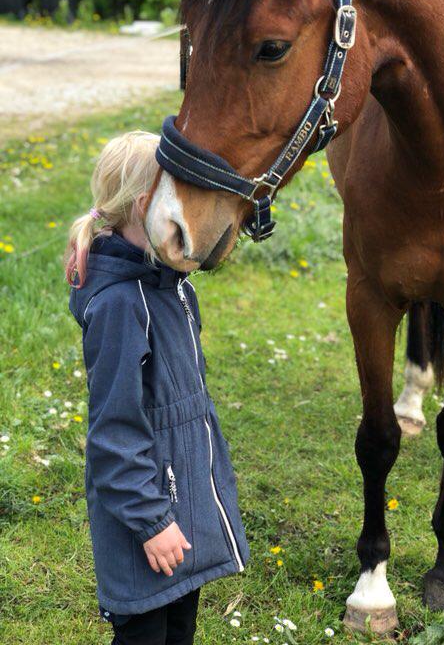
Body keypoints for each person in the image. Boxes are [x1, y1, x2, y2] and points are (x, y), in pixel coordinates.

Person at [66, 131, 248, 645]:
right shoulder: (121, 306)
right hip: (146, 515)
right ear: (149, 206)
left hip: (180, 502)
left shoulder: (172, 286)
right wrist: (152, 522)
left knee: (179, 628)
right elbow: (113, 433)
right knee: (146, 632)